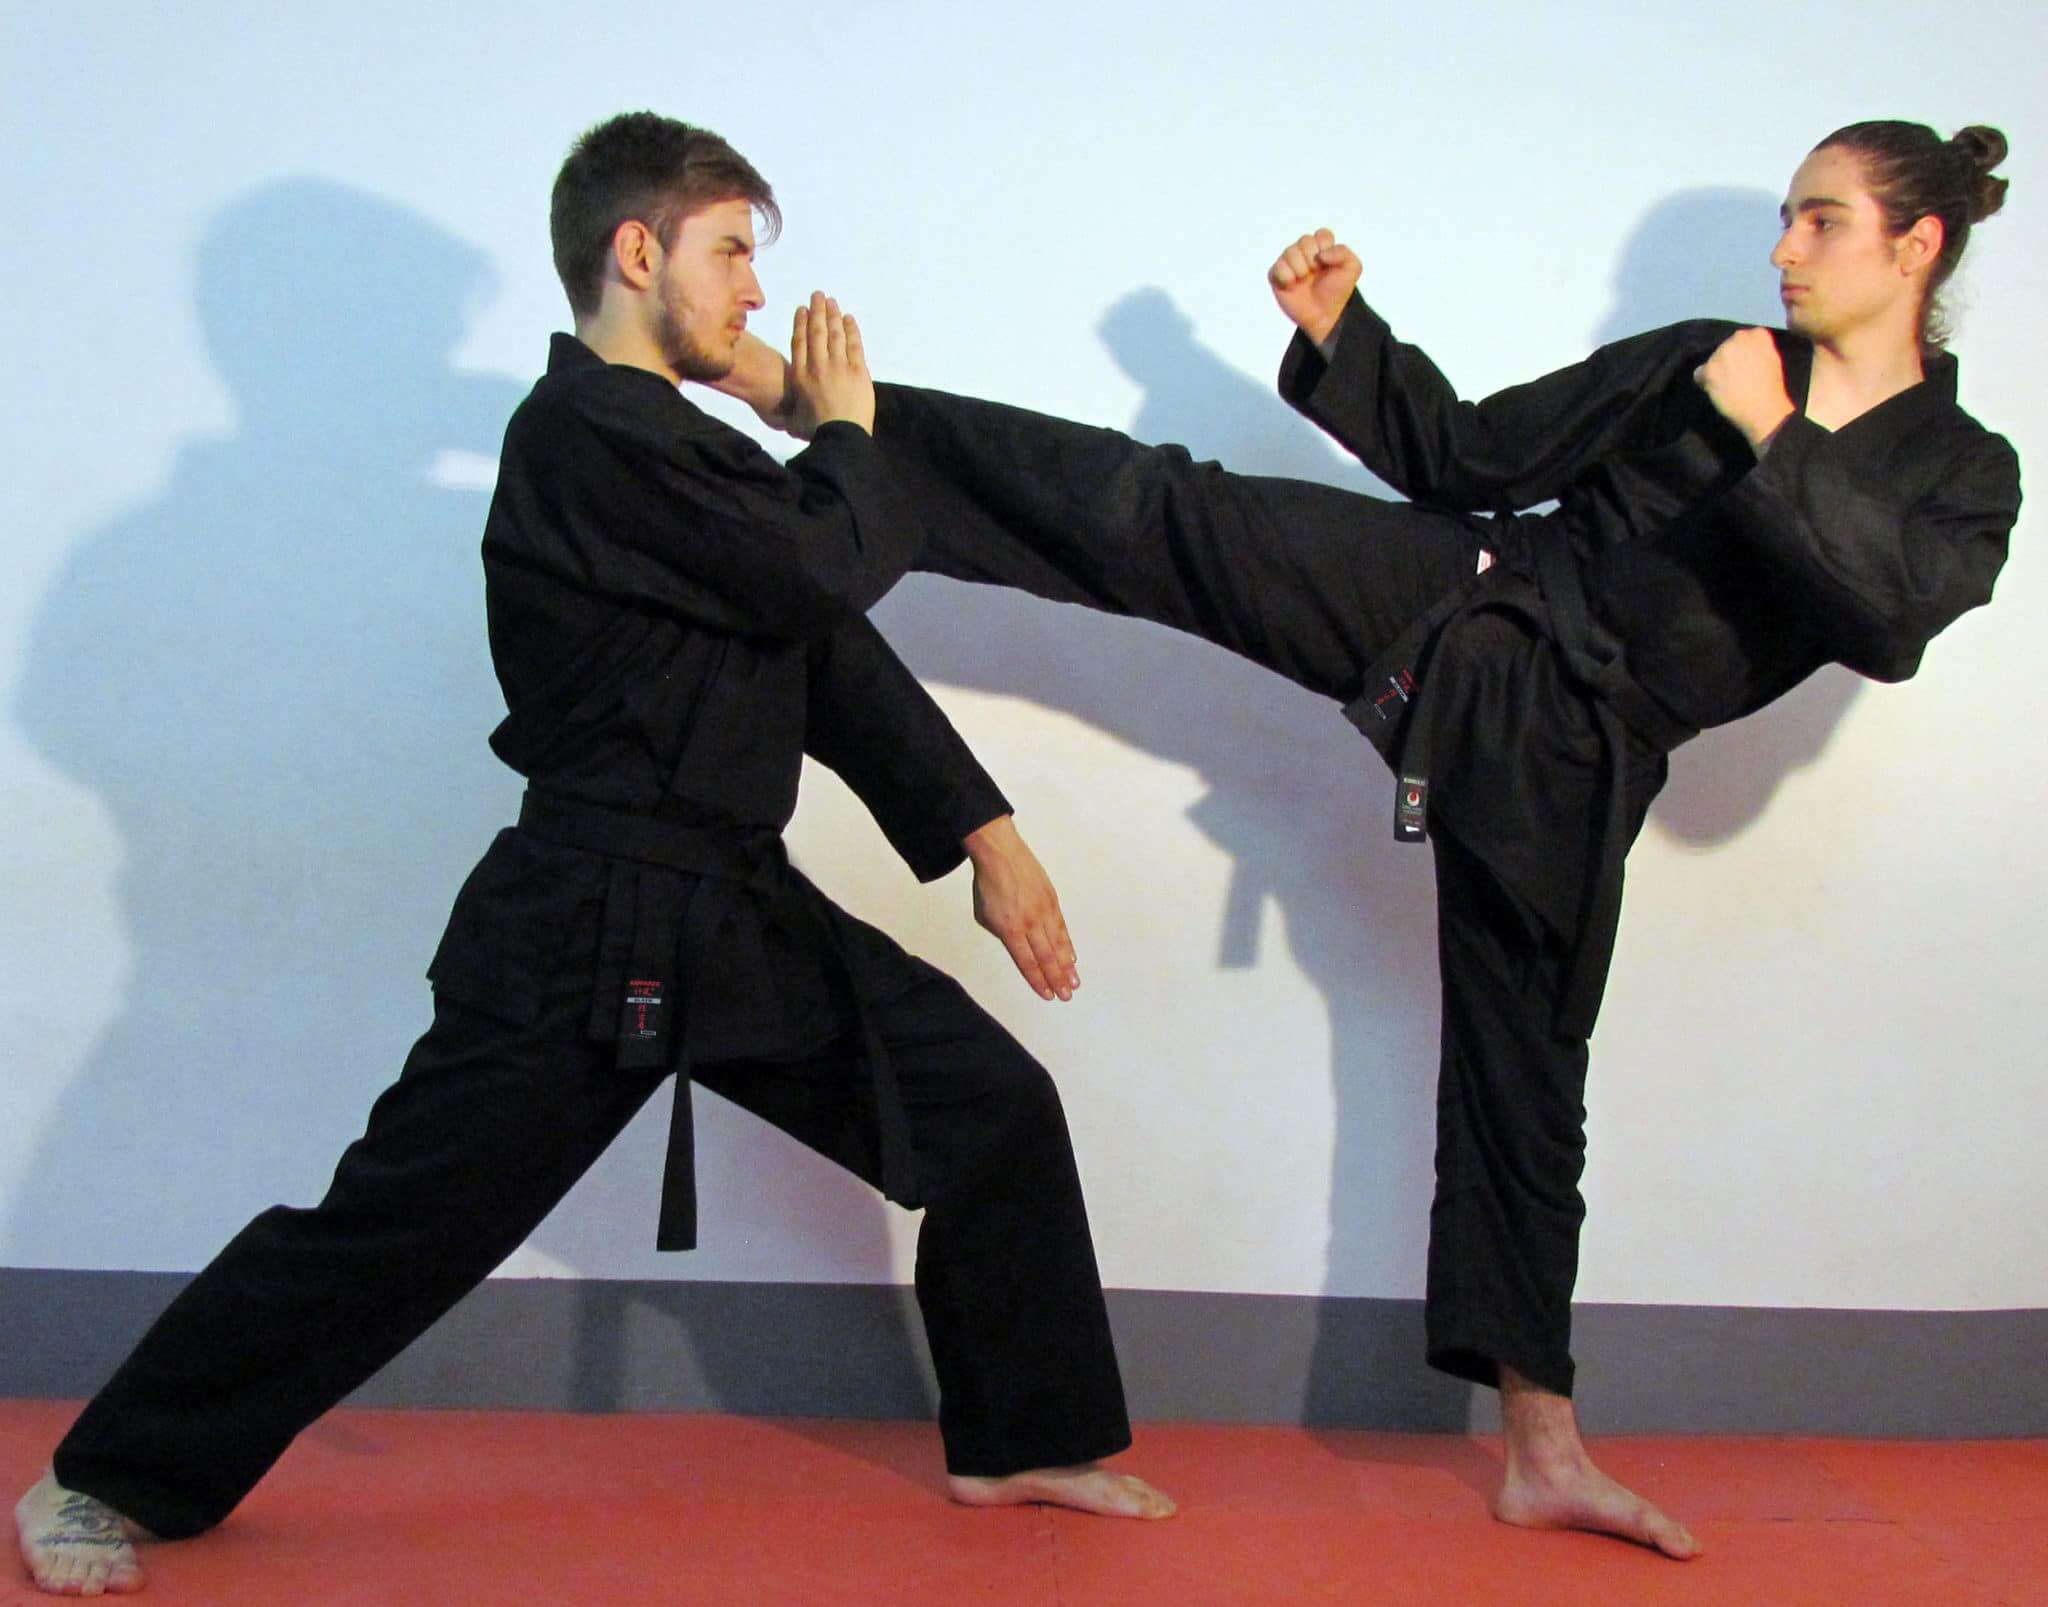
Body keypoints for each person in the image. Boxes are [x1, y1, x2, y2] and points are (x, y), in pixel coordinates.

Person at [717, 119, 2019, 1560]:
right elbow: (1475, 454)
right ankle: (845, 428)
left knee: (1528, 1086)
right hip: (1474, 603)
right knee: (1170, 513)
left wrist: (1771, 432)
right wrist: (1348, 338)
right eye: (1785, 214)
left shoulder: (1963, 471)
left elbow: (1889, 616)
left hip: (1581, 756)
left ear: (1917, 244)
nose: (1784, 249)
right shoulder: (1711, 356)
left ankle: (1543, 1450)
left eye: (1822, 221)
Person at [15, 112, 1172, 1598]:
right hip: (585, 918)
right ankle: (104, 1476)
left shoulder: (683, 456)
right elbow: (817, 564)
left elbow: (822, 651)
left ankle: (1019, 1436)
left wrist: (983, 835)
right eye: (731, 251)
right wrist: (844, 430)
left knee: (990, 1109)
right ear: (638, 251)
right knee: (397, 1228)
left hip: (736, 908)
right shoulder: (582, 435)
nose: (756, 290)